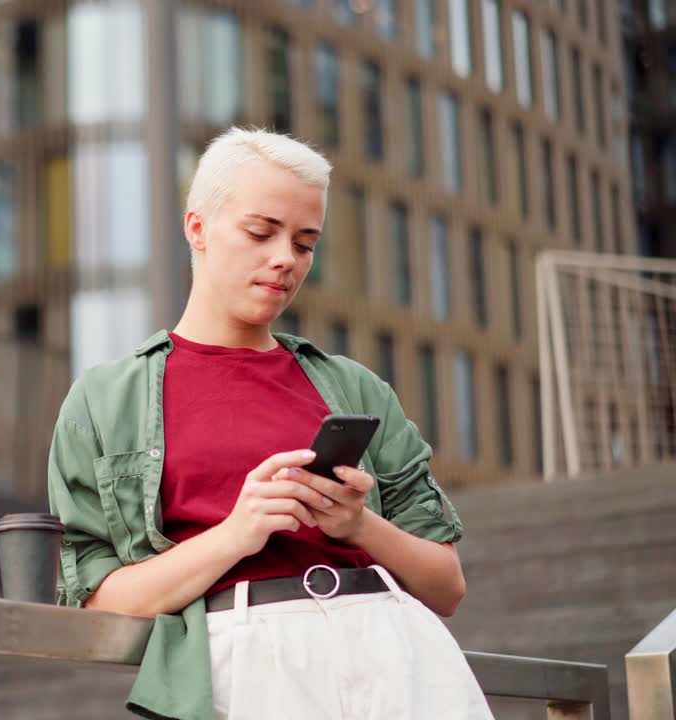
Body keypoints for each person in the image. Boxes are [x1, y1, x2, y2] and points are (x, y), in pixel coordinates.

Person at [46, 128, 493, 720]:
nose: (284, 258)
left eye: (305, 243)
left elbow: (446, 586)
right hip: (249, 672)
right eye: (261, 232)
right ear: (197, 228)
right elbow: (98, 605)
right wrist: (238, 532)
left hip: (400, 658)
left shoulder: (356, 387)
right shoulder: (105, 401)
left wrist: (358, 525)